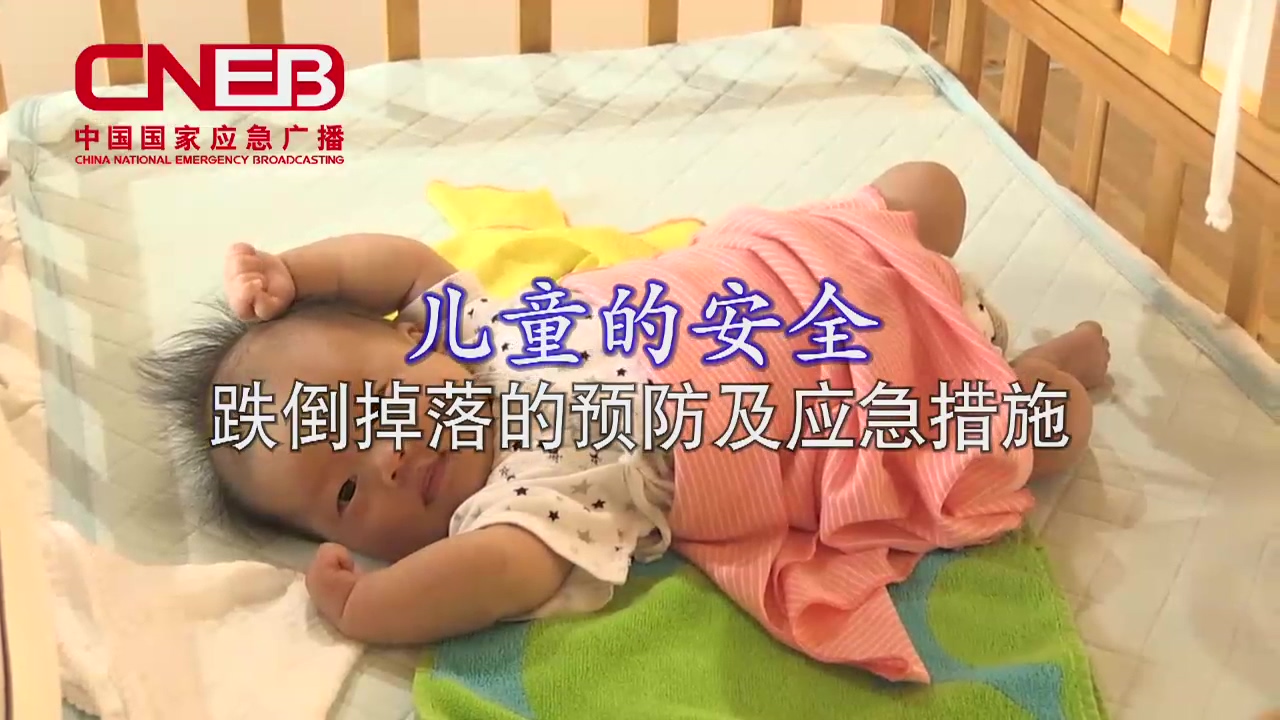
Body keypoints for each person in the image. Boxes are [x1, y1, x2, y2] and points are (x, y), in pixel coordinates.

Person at [136, 161, 1109, 683]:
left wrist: (297, 270)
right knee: (1044, 429)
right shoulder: (525, 499)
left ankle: (955, 299)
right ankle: (1031, 370)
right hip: (848, 408)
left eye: (377, 401)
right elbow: (494, 576)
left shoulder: (468, 325)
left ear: (406, 333)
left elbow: (395, 259)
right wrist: (370, 609)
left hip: (801, 280)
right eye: (345, 490)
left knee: (926, 189)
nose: (389, 457)